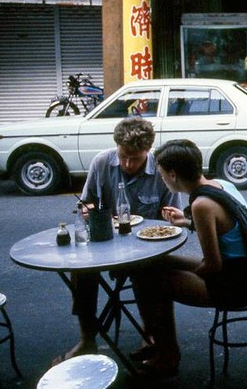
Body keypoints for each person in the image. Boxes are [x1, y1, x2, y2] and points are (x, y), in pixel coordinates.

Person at [131, 139, 247, 377]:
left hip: (236, 285)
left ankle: (167, 356)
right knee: (153, 264)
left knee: (156, 281)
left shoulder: (201, 204)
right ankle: (155, 340)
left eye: (162, 175)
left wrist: (180, 276)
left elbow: (212, 266)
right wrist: (186, 223)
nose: (161, 179)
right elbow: (225, 225)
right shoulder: (220, 185)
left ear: (173, 175)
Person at [52, 117, 180, 366]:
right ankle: (87, 338)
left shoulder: (160, 169)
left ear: (148, 151)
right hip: (105, 243)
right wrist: (88, 210)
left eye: (136, 158)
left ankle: (150, 334)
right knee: (80, 270)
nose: (128, 164)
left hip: (146, 250)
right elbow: (85, 201)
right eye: (123, 156)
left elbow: (171, 222)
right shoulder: (102, 162)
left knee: (151, 274)